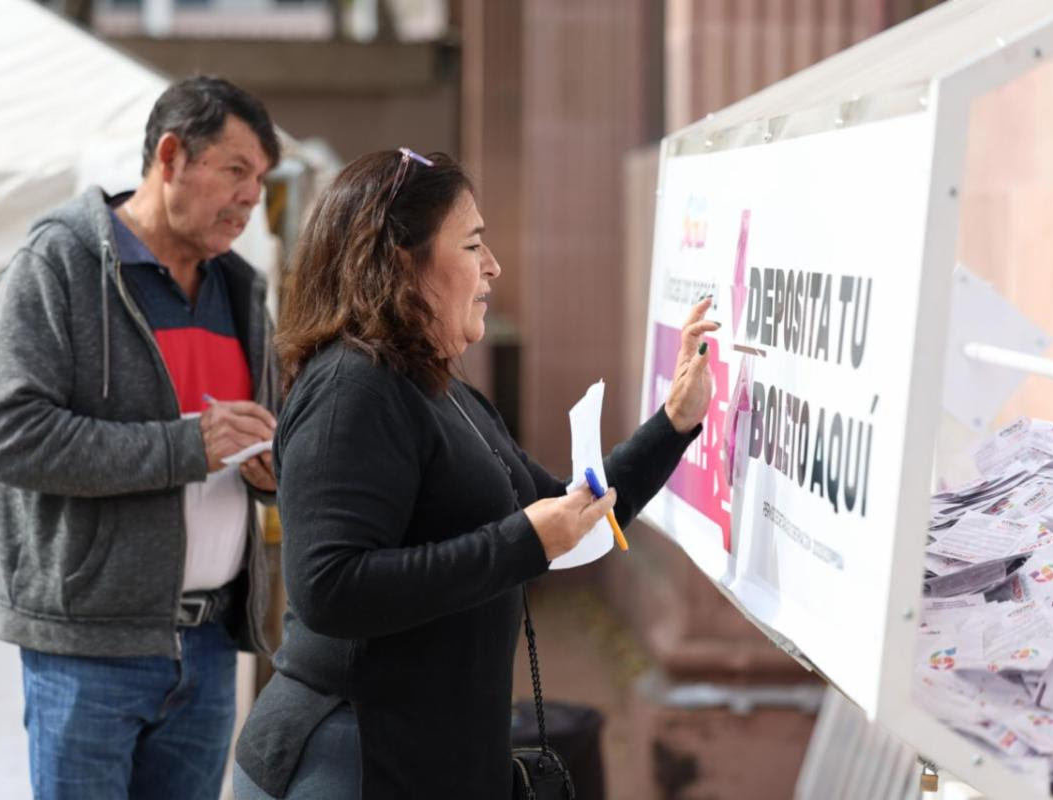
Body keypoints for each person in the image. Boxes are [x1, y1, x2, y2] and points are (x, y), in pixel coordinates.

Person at [233, 148, 717, 799]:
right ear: (400, 262)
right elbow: (328, 587)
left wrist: (676, 422)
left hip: (430, 760)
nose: (493, 265)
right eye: (471, 245)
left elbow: (569, 512)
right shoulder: (352, 388)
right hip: (352, 761)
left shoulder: (443, 389)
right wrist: (522, 542)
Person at [0, 75, 283, 800]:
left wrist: (275, 471)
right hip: (89, 650)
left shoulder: (242, 290)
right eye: (235, 170)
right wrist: (186, 447)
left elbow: (258, 438)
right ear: (171, 156)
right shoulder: (55, 267)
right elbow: (6, 435)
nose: (251, 197)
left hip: (211, 645)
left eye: (261, 180)